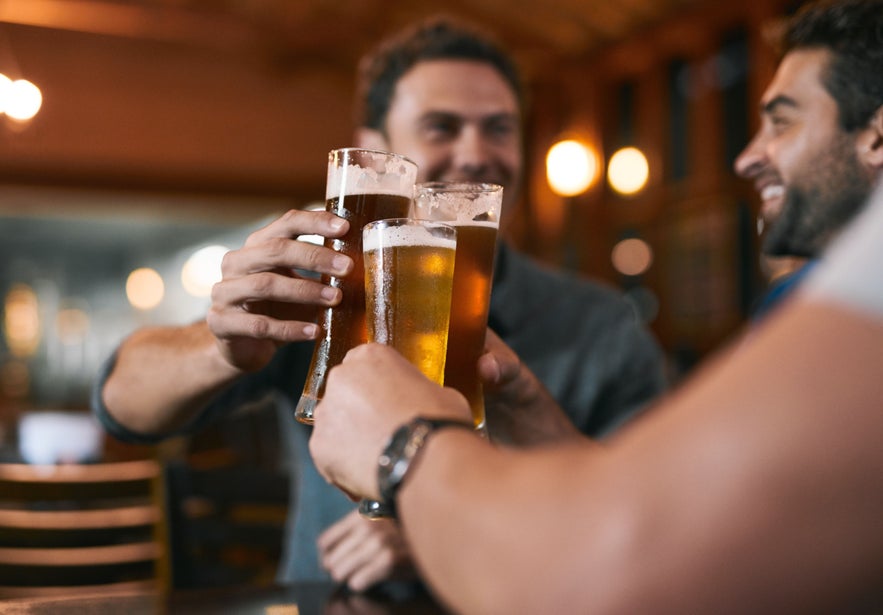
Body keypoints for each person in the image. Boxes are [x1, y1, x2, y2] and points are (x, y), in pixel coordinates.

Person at [309, 5, 883, 610]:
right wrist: (528, 413)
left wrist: (406, 448)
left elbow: (626, 568)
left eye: (782, 122)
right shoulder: (803, 298)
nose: (747, 157)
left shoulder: (609, 319)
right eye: (441, 127)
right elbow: (668, 516)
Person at [91, 17, 667, 591]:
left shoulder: (599, 322)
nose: (475, 153)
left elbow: (655, 519)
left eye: (498, 128)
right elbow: (121, 404)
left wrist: (436, 522)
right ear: (372, 152)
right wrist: (220, 348)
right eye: (441, 128)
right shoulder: (328, 293)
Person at [734, 0, 883, 317]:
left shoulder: (818, 307)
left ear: (877, 140)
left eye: (781, 123)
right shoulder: (793, 301)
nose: (745, 160)